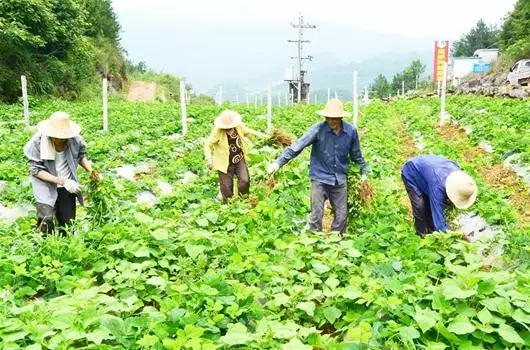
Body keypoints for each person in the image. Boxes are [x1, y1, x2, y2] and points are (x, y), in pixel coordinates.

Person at [267, 99, 367, 234]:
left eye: (334, 118)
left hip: (339, 178)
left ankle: (336, 243)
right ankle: (314, 244)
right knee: (317, 214)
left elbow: (356, 155)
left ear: (341, 117)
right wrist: (277, 163)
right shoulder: (317, 129)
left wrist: (363, 172)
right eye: (328, 118)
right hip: (319, 177)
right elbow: (297, 147)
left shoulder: (350, 131)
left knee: (342, 215)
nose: (330, 121)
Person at [24, 112, 99, 234]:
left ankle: (66, 246)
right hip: (45, 184)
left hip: (68, 184)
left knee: (68, 223)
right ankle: (45, 245)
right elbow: (35, 170)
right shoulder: (37, 142)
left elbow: (81, 156)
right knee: (46, 219)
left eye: (63, 137)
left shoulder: (75, 140)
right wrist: (62, 181)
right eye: (56, 136)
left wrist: (91, 171)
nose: (59, 139)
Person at [401, 155, 478, 236]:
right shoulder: (437, 187)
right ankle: (421, 235)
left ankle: (431, 231)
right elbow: (439, 222)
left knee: (429, 208)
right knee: (420, 207)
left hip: (428, 173)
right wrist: (455, 236)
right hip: (411, 171)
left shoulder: (458, 175)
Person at [204, 110, 264, 202]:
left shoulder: (238, 127)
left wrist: (263, 136)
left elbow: (248, 131)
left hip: (239, 159)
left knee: (245, 180)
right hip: (224, 163)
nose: (228, 129)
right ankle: (229, 206)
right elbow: (207, 144)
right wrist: (209, 159)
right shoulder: (217, 132)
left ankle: (244, 200)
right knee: (226, 187)